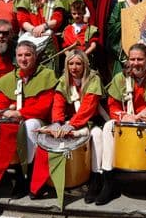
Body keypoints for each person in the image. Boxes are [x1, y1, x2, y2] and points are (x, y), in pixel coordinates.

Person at [97, 44, 146, 207]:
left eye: (140, 59)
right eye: (132, 59)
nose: (136, 63)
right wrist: (126, 116)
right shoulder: (120, 79)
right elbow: (113, 106)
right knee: (108, 127)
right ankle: (108, 182)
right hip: (128, 123)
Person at [0, 40, 57, 197]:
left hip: (39, 120)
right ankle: (12, 176)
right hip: (15, 120)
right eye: (20, 55)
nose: (23, 59)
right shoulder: (12, 77)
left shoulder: (46, 75)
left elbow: (44, 106)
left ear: (35, 57)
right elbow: (1, 101)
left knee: (28, 126)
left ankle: (27, 176)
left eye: (28, 55)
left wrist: (19, 113)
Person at [43, 49, 105, 203]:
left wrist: (72, 125)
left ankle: (96, 178)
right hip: (70, 120)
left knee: (96, 135)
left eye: (78, 63)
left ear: (84, 65)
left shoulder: (93, 79)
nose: (74, 67)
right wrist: (57, 122)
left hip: (91, 119)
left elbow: (89, 106)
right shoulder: (64, 80)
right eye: (71, 63)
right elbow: (58, 103)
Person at [16, 0, 67, 68]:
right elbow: (22, 19)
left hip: (49, 45)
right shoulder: (26, 0)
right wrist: (33, 30)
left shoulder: (55, 1)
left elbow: (57, 19)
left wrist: (43, 26)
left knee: (49, 73)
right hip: (28, 43)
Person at [106, 0, 146, 76]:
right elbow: (112, 26)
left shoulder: (145, 6)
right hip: (123, 49)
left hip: (141, 47)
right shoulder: (120, 5)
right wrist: (127, 22)